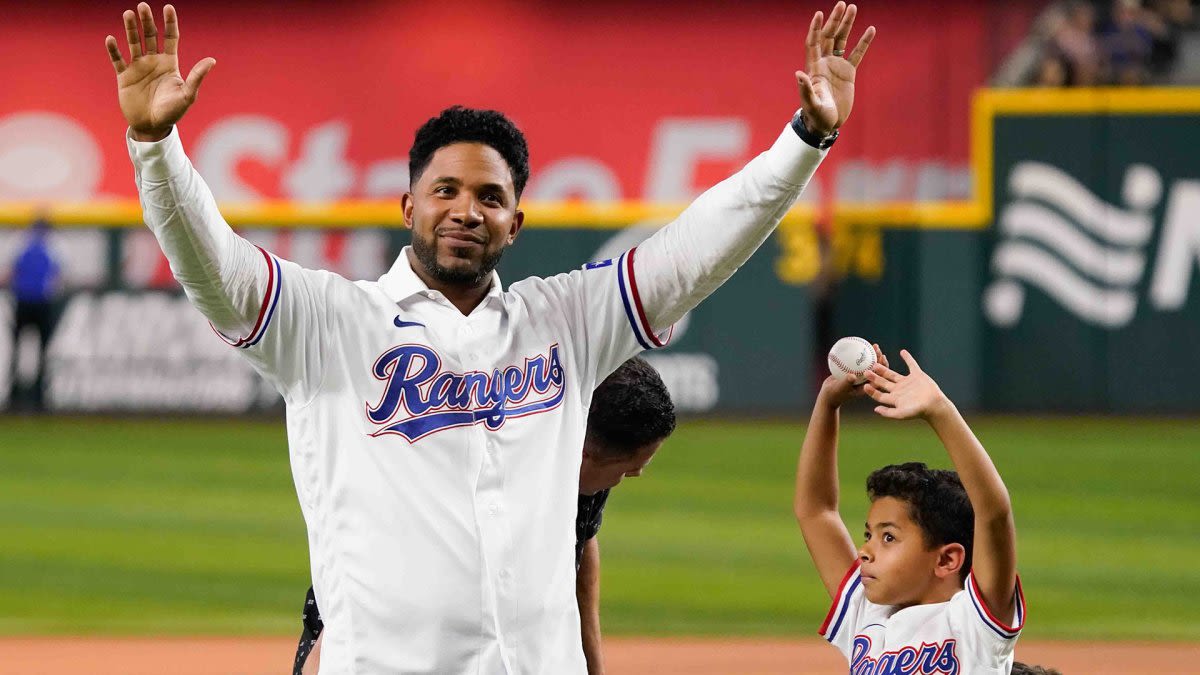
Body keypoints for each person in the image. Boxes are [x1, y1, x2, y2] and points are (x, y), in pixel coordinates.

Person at [105, 3, 874, 672]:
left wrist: (806, 136)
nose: (466, 209)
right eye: (446, 190)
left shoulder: (566, 321)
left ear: (517, 221)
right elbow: (216, 267)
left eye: (490, 196)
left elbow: (700, 245)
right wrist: (155, 149)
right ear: (407, 205)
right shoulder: (330, 322)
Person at [295, 356, 676, 675]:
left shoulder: (584, 453)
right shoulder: (464, 479)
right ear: (581, 454)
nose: (634, 475)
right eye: (628, 469)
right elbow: (372, 582)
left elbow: (581, 541)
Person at [794, 345, 1024, 674]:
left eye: (888, 537)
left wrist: (940, 411)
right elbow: (816, 511)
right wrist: (828, 403)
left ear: (946, 559)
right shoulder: (866, 615)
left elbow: (994, 513)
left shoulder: (972, 624)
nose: (864, 552)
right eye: (869, 535)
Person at [8, 217, 60, 411]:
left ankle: (15, 395)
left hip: (23, 301)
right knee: (42, 351)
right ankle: (39, 397)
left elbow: (11, 273)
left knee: (18, 350)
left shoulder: (20, 243)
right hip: (42, 303)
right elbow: (57, 277)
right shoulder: (54, 245)